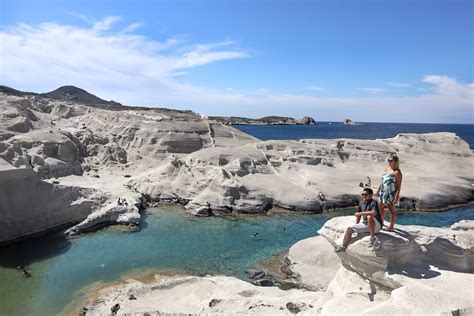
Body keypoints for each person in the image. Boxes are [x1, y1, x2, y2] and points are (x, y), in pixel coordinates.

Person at [335, 188, 383, 252]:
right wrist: (356, 224)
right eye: (362, 194)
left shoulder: (373, 202)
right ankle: (343, 247)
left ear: (371, 195)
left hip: (376, 225)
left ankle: (372, 238)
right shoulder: (361, 203)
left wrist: (360, 213)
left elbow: (373, 213)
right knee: (349, 229)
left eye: (366, 194)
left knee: (369, 217)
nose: (364, 196)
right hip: (366, 224)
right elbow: (358, 216)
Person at [377, 154, 403, 232]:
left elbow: (399, 186)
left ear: (395, 162)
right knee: (380, 206)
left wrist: (397, 196)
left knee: (391, 210)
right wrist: (378, 190)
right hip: (383, 192)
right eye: (388, 160)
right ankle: (381, 222)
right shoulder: (386, 169)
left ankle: (391, 227)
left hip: (391, 193)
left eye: (391, 160)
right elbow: (382, 181)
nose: (389, 161)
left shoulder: (397, 172)